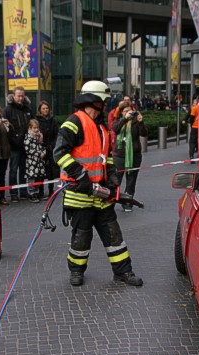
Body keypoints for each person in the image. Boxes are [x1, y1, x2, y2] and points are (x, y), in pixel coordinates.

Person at [54, 80, 144, 287]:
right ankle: (76, 271)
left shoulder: (101, 126)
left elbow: (107, 157)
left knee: (114, 235)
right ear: (96, 101)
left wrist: (112, 177)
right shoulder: (74, 123)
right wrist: (79, 176)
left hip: (101, 195)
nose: (106, 106)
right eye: (104, 101)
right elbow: (59, 153)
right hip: (80, 195)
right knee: (81, 237)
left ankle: (123, 271)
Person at [112, 100, 148, 212]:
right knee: (115, 180)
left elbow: (144, 133)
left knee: (131, 181)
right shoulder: (118, 121)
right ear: (122, 112)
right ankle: (112, 201)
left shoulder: (135, 122)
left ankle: (128, 202)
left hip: (134, 155)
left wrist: (141, 122)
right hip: (119, 156)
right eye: (126, 111)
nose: (129, 113)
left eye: (130, 111)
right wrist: (124, 119)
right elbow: (115, 129)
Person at [3, 86, 32, 202]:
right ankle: (14, 193)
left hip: (26, 145)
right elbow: (5, 128)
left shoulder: (27, 109)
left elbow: (32, 123)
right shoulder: (8, 109)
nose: (20, 98)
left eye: (22, 96)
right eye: (18, 96)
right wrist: (13, 140)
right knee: (13, 170)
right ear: (13, 96)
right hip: (14, 146)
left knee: (24, 170)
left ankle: (24, 192)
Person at [36, 100, 59, 199]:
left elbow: (57, 134)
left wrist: (53, 145)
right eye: (43, 108)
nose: (46, 110)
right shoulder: (37, 121)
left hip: (51, 149)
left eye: (47, 108)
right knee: (41, 171)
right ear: (40, 110)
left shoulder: (53, 120)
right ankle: (40, 191)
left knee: (50, 172)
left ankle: (51, 190)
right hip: (41, 148)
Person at [24, 119, 47, 203]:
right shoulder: (28, 137)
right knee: (32, 178)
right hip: (32, 162)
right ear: (30, 128)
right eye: (34, 128)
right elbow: (28, 149)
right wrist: (38, 154)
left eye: (37, 128)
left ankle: (36, 193)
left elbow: (42, 146)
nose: (36, 130)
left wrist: (44, 152)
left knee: (38, 178)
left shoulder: (39, 136)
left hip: (39, 162)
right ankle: (31, 193)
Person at [187, 95, 199, 163]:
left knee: (192, 142)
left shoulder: (195, 108)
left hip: (195, 127)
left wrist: (192, 124)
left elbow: (191, 118)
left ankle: (191, 156)